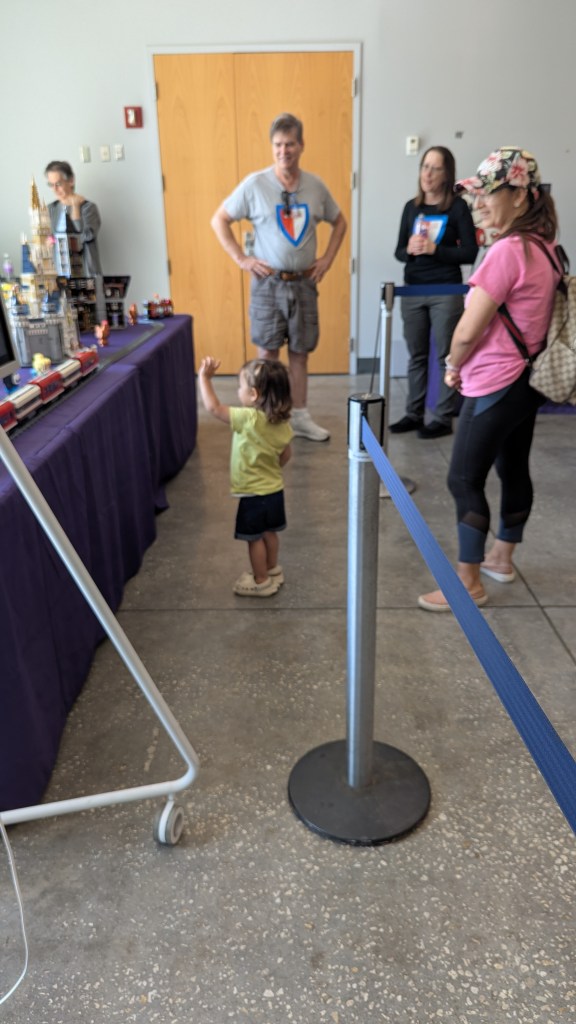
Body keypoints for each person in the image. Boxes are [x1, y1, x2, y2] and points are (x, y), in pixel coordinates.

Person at [418, 147, 560, 611]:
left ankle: (468, 583)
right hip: (528, 382)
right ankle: (502, 557)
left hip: (495, 381)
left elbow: (467, 331)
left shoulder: (507, 252)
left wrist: (453, 365)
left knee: (463, 477)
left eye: (487, 193)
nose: (477, 203)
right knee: (513, 467)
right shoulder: (547, 248)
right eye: (475, 194)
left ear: (519, 196)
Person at [211, 112, 347, 443]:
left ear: (301, 145)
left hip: (303, 282)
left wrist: (327, 259)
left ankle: (299, 417)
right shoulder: (255, 185)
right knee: (267, 353)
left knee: (300, 353)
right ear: (272, 147)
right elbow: (220, 220)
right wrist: (242, 259)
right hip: (268, 284)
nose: (283, 151)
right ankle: (265, 419)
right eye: (278, 145)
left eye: (290, 144)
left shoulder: (315, 186)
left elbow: (340, 222)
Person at [391, 146, 479, 439]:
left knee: (445, 355)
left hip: (446, 290)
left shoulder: (457, 208)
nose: (427, 174)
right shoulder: (410, 207)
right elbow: (398, 252)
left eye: (435, 168)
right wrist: (409, 250)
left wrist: (435, 250)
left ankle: (442, 418)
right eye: (424, 166)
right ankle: (413, 414)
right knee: (416, 356)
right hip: (412, 290)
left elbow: (470, 252)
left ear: (447, 174)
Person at [198, 356, 293, 598]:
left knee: (254, 539)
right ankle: (272, 569)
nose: (237, 391)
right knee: (270, 532)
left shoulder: (247, 418)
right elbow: (285, 455)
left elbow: (213, 408)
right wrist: (270, 470)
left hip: (253, 495)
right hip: (274, 490)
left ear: (253, 394)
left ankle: (260, 580)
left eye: (239, 386)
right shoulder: (283, 424)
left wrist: (204, 379)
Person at [44, 160, 105, 319]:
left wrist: (76, 208)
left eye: (58, 184)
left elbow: (85, 237)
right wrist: (48, 241)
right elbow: (47, 237)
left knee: (91, 320)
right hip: (61, 278)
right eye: (51, 185)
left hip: (86, 275)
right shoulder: (51, 209)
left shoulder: (88, 208)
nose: (55, 189)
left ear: (71, 181)